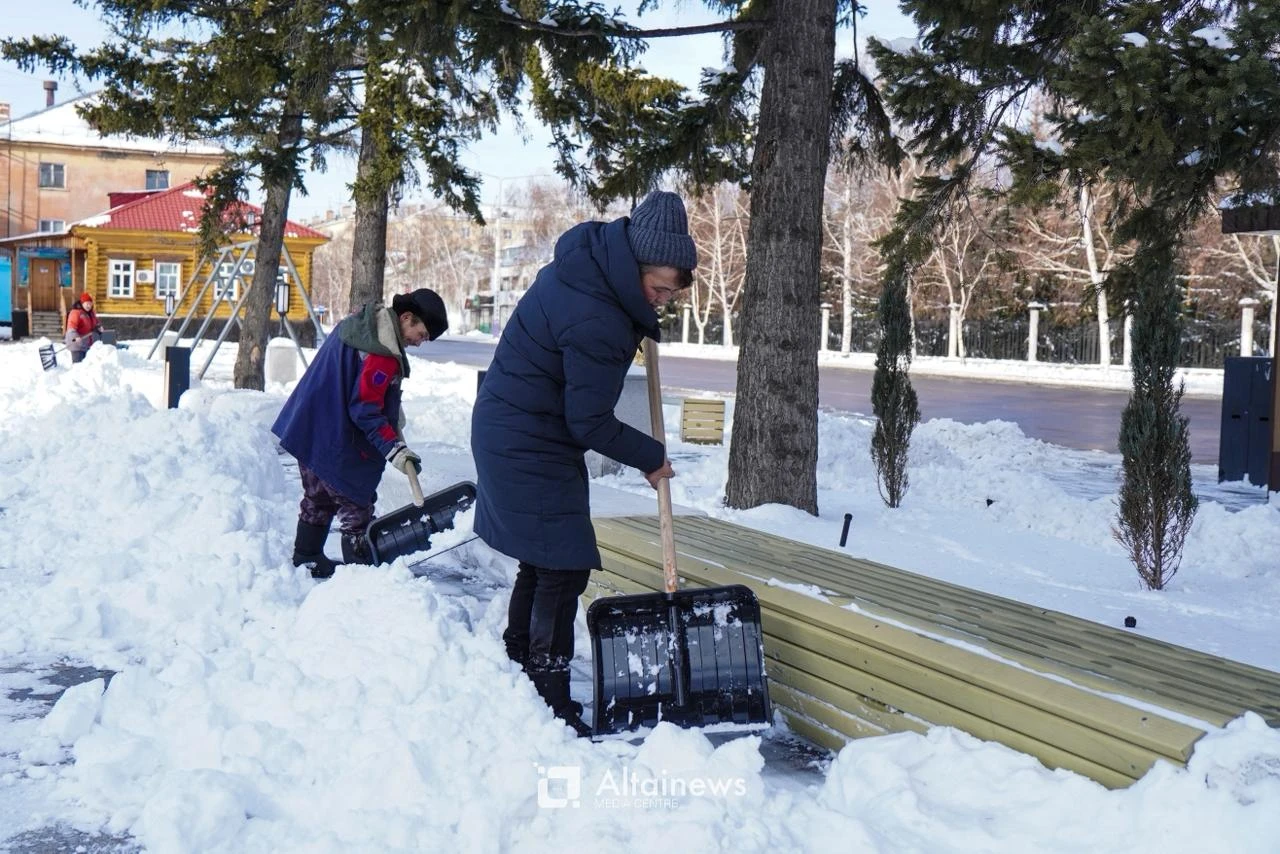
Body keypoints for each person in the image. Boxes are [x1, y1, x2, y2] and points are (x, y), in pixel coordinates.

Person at [470, 190, 695, 737]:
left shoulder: (589, 271)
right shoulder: (598, 314)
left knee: (544, 559)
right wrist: (651, 457)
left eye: (671, 293)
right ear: (635, 265)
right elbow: (589, 422)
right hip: (528, 439)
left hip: (517, 428)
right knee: (563, 565)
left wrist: (641, 318)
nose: (664, 300)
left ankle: (520, 663)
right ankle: (548, 693)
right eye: (659, 288)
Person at [272, 289, 449, 578]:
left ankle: (307, 557)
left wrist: (391, 409)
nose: (420, 342)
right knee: (356, 507)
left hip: (310, 426)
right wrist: (394, 449)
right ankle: (360, 579)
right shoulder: (382, 352)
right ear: (407, 318)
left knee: (318, 497)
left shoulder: (362, 324)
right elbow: (364, 409)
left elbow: (353, 380)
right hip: (335, 437)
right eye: (422, 334)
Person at [65, 292, 103, 363]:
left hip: (86, 344)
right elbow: (71, 327)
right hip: (76, 344)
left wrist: (99, 327)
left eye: (90, 304)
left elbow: (96, 322)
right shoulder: (76, 312)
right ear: (82, 303)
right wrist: (75, 337)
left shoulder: (91, 313)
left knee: (85, 366)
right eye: (87, 304)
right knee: (78, 365)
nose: (89, 306)